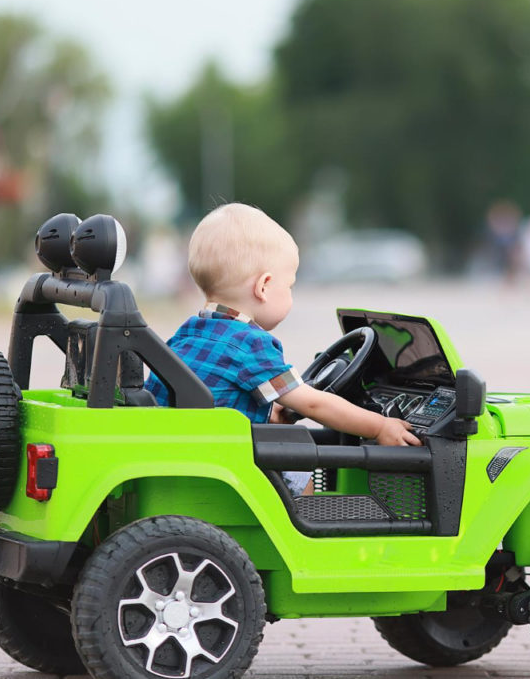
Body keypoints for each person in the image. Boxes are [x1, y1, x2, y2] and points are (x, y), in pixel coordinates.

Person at [144, 203, 420, 494]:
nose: (290, 295)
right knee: (297, 460)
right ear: (264, 287)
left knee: (282, 431)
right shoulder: (252, 344)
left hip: (184, 454)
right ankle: (308, 533)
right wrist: (379, 427)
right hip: (227, 465)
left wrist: (272, 408)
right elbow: (313, 403)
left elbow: (220, 391)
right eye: (289, 286)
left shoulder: (189, 329)